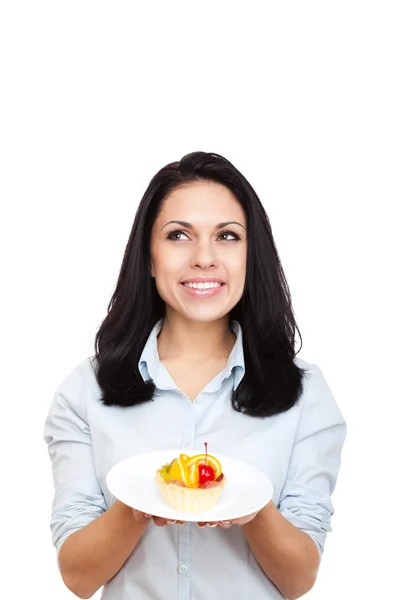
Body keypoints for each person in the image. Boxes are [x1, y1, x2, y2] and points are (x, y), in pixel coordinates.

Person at [44, 151, 346, 600]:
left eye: (227, 236)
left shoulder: (306, 394)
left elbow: (299, 579)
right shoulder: (85, 391)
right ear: (148, 257)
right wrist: (140, 504)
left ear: (251, 256)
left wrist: (250, 507)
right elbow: (78, 577)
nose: (204, 258)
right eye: (179, 235)